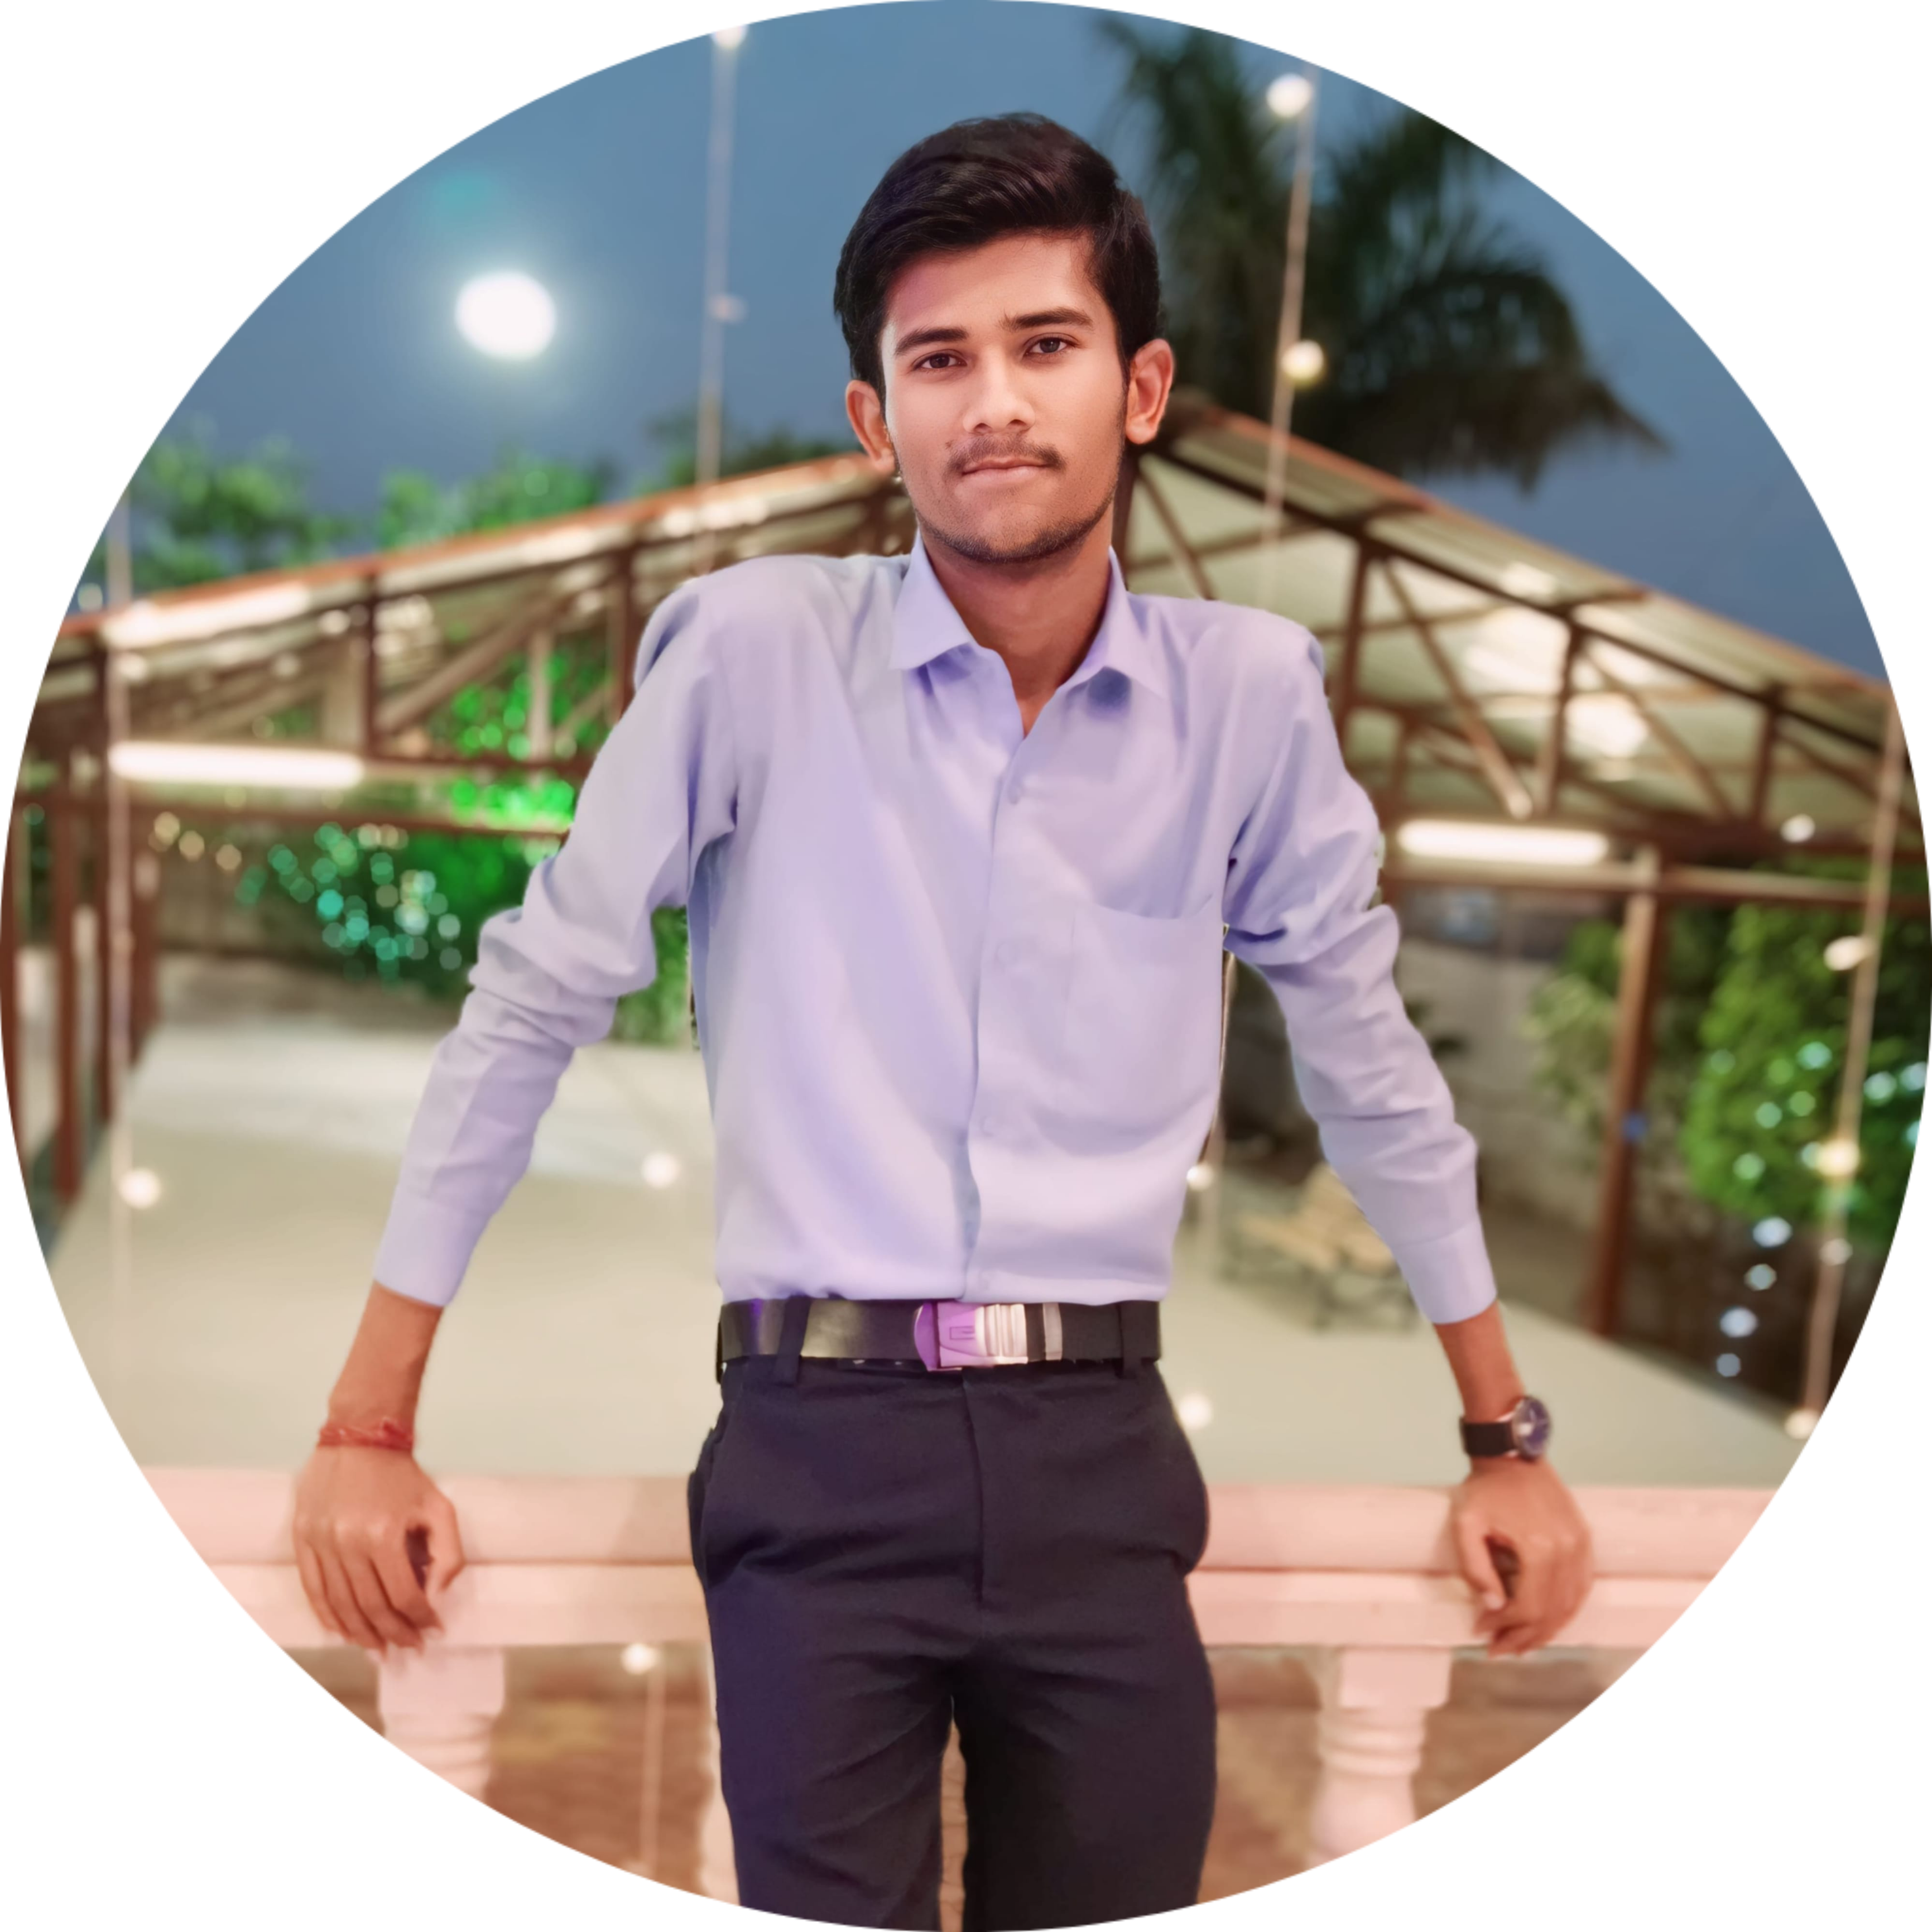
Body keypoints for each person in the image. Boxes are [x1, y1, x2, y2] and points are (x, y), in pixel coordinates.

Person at [293, 114, 1593, 1929]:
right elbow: (534, 999)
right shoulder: (751, 653)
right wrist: (366, 1425)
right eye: (937, 359)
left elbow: (1368, 1067)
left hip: (1102, 1454)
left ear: (1140, 387)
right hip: (813, 1442)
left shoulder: (1246, 702)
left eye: (1044, 344)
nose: (992, 402)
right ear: (873, 417)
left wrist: (1501, 1440)